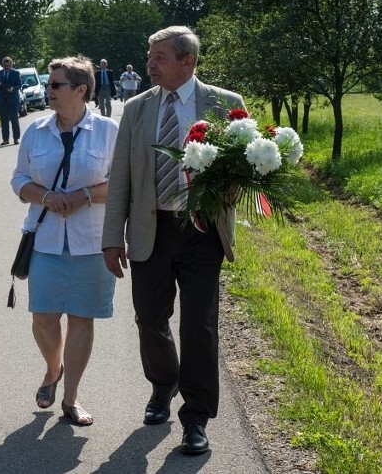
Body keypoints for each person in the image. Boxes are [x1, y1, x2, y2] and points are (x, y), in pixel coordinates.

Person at [102, 26, 246, 455]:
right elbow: (121, 178)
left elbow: (242, 172)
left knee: (199, 325)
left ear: (187, 61)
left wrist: (223, 192)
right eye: (150, 56)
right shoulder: (135, 109)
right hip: (151, 230)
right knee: (150, 318)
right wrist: (113, 238)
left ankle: (196, 417)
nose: (150, 63)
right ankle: (163, 384)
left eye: (159, 56)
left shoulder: (226, 104)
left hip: (202, 230)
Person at [11, 55, 119, 427]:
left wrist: (82, 197)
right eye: (49, 84)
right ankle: (52, 368)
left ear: (80, 90)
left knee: (80, 320)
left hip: (92, 241)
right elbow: (19, 180)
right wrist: (44, 196)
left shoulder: (108, 131)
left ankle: (71, 399)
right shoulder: (36, 131)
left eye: (56, 85)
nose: (48, 91)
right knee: (43, 318)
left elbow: (122, 185)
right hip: (45, 240)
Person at [0, 56, 22, 145]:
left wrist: (12, 89)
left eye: (8, 65)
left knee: (14, 120)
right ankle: (5, 139)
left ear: (11, 65)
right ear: (2, 65)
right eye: (5, 66)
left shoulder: (16, 73)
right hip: (2, 100)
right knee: (4, 121)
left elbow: (19, 85)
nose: (6, 67)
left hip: (13, 100)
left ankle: (16, 138)